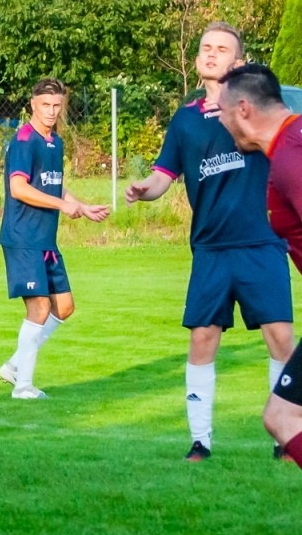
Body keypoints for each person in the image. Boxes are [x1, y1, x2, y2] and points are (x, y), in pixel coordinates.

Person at [125, 24, 294, 459]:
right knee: (203, 338)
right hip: (211, 249)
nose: (212, 54)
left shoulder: (251, 108)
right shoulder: (184, 119)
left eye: (222, 49)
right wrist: (146, 188)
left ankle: (285, 437)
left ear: (238, 62)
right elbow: (165, 174)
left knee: (280, 336)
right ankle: (201, 441)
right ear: (197, 59)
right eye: (206, 48)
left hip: (262, 242)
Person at [0, 78, 110, 399]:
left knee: (65, 306)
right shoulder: (24, 141)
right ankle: (23, 387)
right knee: (40, 307)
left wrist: (81, 206)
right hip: (23, 238)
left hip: (45, 240)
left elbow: (52, 184)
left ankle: (16, 365)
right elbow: (19, 187)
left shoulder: (54, 142)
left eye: (57, 105)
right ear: (32, 104)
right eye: (45, 105)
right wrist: (62, 205)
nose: (51, 111)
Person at [218, 64, 302, 469]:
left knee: (283, 417)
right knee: (281, 416)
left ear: (244, 109)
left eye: (222, 111)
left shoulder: (291, 158)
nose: (219, 120)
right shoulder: (287, 149)